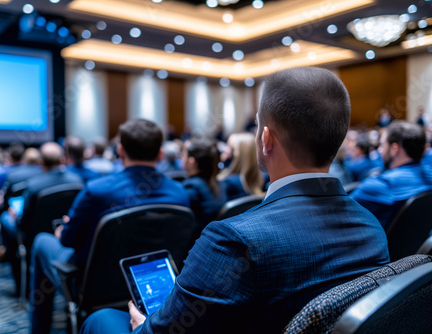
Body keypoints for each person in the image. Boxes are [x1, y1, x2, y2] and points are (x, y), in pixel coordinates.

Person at [80, 67, 389, 334]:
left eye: (257, 126)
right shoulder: (372, 227)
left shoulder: (234, 241)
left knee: (102, 318)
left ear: (266, 140)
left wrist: (141, 325)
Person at [29, 119, 190, 334]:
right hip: (154, 286)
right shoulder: (180, 193)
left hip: (94, 287)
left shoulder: (96, 190)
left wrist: (63, 232)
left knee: (41, 241)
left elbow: (68, 241)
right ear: (160, 154)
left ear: (121, 151)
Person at [0, 142, 82, 296]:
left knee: (5, 218)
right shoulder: (77, 181)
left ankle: (19, 283)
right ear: (62, 159)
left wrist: (14, 215)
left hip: (33, 238)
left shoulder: (33, 185)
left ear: (41, 162)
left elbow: (22, 224)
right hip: (65, 235)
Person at [350, 121, 432, 230]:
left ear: (394, 149)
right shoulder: (429, 178)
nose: (379, 150)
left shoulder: (381, 185)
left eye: (383, 145)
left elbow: (337, 213)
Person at [182, 137, 227, 231]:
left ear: (191, 162)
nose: (181, 158)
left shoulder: (191, 188)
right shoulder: (221, 185)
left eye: (183, 155)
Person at [217, 132, 265, 200]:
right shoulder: (263, 180)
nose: (224, 154)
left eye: (228, 148)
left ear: (236, 156)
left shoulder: (225, 184)